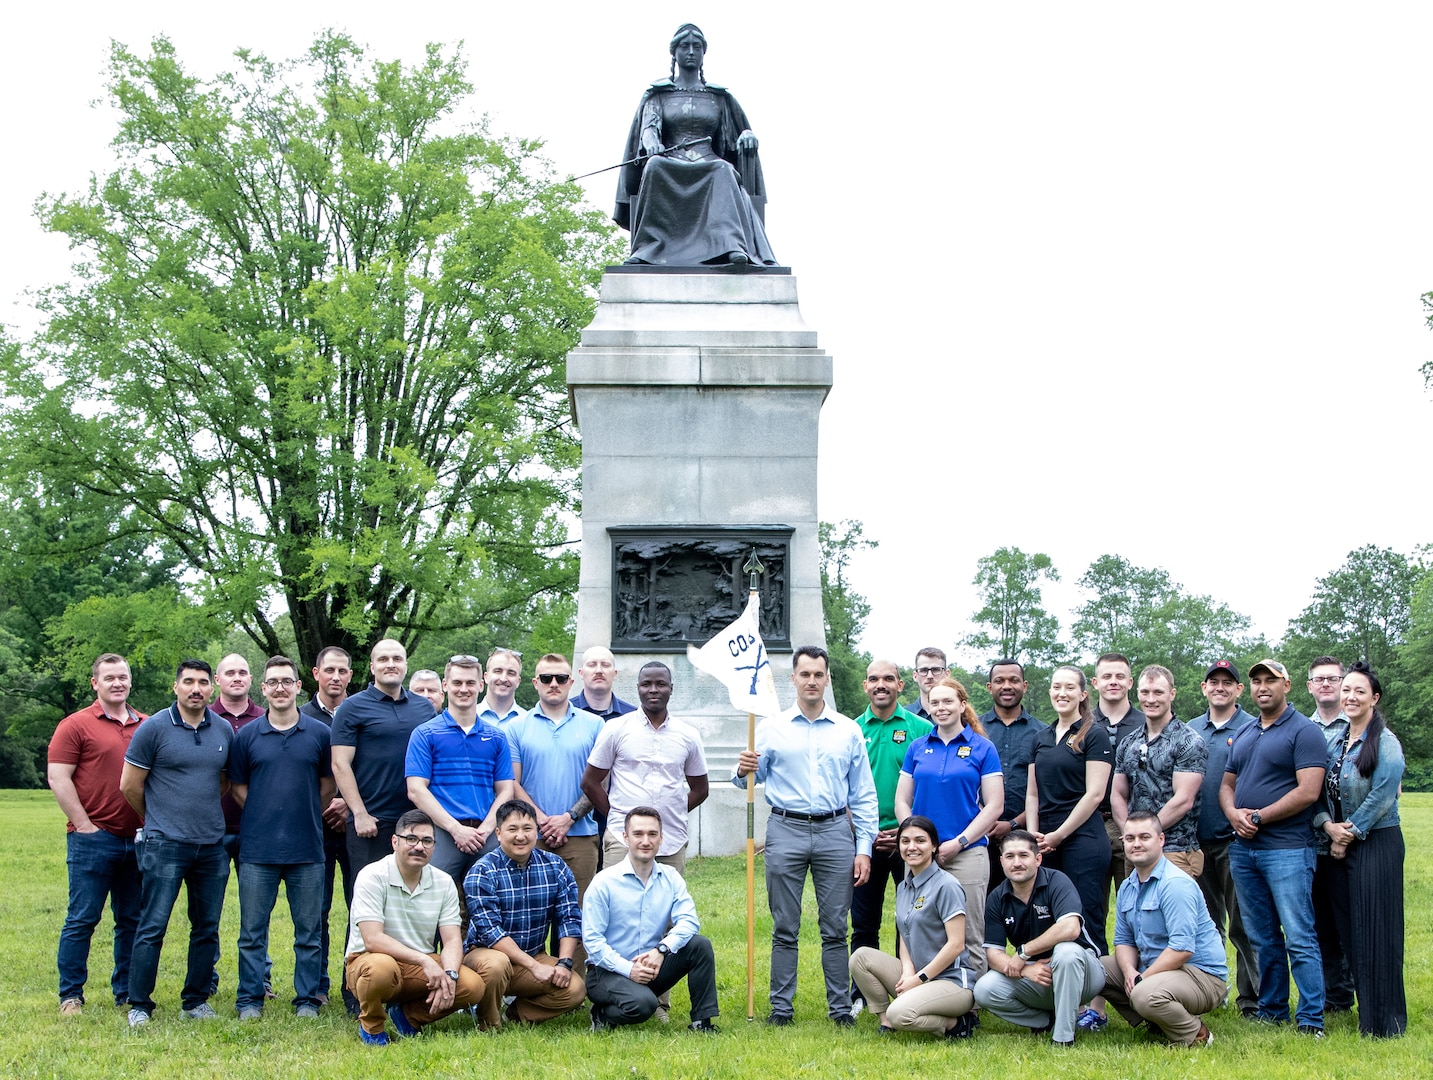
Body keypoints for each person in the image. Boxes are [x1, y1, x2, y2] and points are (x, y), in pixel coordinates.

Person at [734, 645, 878, 1026]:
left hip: (834, 832)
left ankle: (840, 1009)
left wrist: (864, 848)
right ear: (792, 678)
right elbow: (749, 780)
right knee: (785, 926)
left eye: (818, 674)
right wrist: (742, 768)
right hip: (785, 829)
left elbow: (863, 795)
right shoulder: (769, 728)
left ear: (827, 678)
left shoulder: (848, 730)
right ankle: (781, 1009)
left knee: (835, 926)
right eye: (805, 674)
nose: (811, 681)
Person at [119, 659, 234, 1028]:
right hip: (165, 843)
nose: (196, 688)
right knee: (152, 925)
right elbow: (130, 786)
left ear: (211, 688)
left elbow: (223, 782)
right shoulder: (153, 729)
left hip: (211, 845)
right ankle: (139, 1003)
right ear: (176, 687)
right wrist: (158, 819)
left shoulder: (223, 730)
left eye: (202, 682)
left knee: (206, 926)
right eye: (188, 682)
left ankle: (196, 1000)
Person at [1219, 658, 1327, 1036]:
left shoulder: (1305, 731)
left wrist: (1259, 817)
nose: (1262, 687)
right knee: (1261, 936)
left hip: (1287, 849)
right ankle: (1272, 1009)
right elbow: (1227, 784)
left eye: (1271, 680)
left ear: (1288, 685)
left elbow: (1308, 791)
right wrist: (1233, 814)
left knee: (1298, 935)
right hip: (1244, 851)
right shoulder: (1247, 732)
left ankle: (1312, 1018)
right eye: (1256, 681)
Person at [614, 24, 775, 267]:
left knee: (723, 170)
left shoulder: (719, 97)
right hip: (670, 161)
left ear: (703, 54)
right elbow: (649, 128)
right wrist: (653, 144)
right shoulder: (658, 94)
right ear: (674, 53)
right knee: (655, 166)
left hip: (709, 162)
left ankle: (731, 245)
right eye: (684, 46)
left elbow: (736, 134)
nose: (690, 51)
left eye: (696, 47)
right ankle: (650, 247)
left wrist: (748, 134)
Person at [227, 656, 335, 1019]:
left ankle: (306, 999)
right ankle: (250, 999)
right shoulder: (246, 736)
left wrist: (301, 810)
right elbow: (238, 787)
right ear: (264, 688)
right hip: (258, 849)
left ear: (298, 686)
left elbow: (327, 785)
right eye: (273, 682)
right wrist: (262, 812)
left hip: (307, 848)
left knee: (309, 930)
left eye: (287, 681)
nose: (280, 688)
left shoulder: (320, 734)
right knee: (252, 932)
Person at [48, 653, 146, 1015]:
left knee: (132, 920)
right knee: (82, 919)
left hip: (137, 840)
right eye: (109, 678)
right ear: (95, 683)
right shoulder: (75, 725)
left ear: (130, 681)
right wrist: (84, 825)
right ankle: (71, 995)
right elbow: (59, 777)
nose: (117, 683)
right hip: (93, 838)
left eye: (123, 676)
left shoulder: (146, 725)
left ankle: (125, 992)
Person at [1314, 661, 1406, 1038]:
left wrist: (1347, 834)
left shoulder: (1385, 742)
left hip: (1376, 843)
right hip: (1340, 844)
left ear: (1374, 698)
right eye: (1346, 690)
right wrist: (1327, 827)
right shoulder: (1335, 741)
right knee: (1350, 932)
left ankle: (1385, 1023)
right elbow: (1318, 792)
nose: (1350, 697)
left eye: (1359, 692)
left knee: (1377, 932)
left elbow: (1383, 795)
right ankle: (1363, 1011)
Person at [342, 809, 485, 1045]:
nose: (419, 846)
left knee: (471, 985)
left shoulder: (443, 882)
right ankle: (373, 1026)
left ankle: (408, 1017)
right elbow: (372, 939)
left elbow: (451, 940)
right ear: (395, 841)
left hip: (417, 967)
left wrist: (449, 974)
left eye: (427, 841)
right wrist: (424, 961)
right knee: (381, 969)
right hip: (369, 960)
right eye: (411, 839)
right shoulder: (372, 875)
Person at [894, 678, 1002, 975]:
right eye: (935, 702)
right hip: (921, 855)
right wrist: (914, 838)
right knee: (915, 926)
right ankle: (919, 991)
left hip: (966, 853)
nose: (941, 708)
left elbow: (995, 806)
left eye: (948, 701)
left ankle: (971, 1006)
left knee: (969, 931)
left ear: (962, 705)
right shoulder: (917, 747)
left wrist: (960, 842)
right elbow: (902, 801)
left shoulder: (983, 748)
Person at [583, 807, 720, 1032]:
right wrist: (629, 970)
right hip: (607, 972)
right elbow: (593, 943)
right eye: (638, 834)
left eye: (652, 834)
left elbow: (689, 921)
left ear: (661, 838)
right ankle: (602, 1015)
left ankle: (701, 1023)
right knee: (643, 1005)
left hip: (651, 965)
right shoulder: (604, 882)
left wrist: (661, 950)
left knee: (699, 945)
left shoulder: (670, 878)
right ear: (625, 838)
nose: (645, 841)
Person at [1098, 811, 1227, 1047]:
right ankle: (1159, 1023)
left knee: (1144, 993)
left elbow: (1181, 949)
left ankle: (1197, 1035)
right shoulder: (1128, 885)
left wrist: (1142, 979)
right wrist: (1129, 973)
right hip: (1157, 971)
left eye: (1144, 837)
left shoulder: (1175, 885)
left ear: (1161, 840)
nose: (1136, 844)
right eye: (1130, 838)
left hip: (1199, 975)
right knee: (1094, 970)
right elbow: (1124, 941)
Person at [848, 659, 932, 1009]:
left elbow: (928, 784)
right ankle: (860, 994)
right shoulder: (850, 729)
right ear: (865, 686)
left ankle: (908, 986)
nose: (880, 684)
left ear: (901, 685)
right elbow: (844, 785)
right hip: (864, 840)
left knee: (910, 920)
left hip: (910, 840)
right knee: (863, 920)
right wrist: (862, 829)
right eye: (873, 679)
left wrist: (907, 830)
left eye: (888, 679)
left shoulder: (920, 727)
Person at [848, 815, 979, 1038]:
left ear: (934, 846)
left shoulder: (946, 885)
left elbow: (956, 945)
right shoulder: (904, 887)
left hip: (952, 982)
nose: (912, 847)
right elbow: (905, 933)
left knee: (902, 1013)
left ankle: (955, 1024)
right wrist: (908, 971)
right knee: (860, 957)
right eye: (905, 841)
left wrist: (918, 980)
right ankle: (886, 1021)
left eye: (920, 841)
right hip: (918, 974)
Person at [973, 830, 1106, 1048]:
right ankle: (1047, 1020)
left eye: (1024, 856)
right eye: (1010, 856)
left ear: (1038, 859)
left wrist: (1024, 952)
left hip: (1084, 973)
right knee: (984, 989)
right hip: (1037, 975)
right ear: (1001, 861)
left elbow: (1070, 928)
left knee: (1066, 952)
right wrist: (1025, 969)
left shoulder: (1057, 881)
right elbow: (993, 953)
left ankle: (1063, 1037)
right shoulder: (997, 897)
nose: (1017, 863)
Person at [461, 800, 587, 1028]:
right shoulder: (482, 871)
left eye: (527, 829)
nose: (521, 836)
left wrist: (565, 963)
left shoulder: (555, 866)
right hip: (484, 956)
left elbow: (569, 918)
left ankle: (517, 1014)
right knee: (497, 964)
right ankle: (488, 1022)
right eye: (512, 829)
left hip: (533, 954)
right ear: (498, 834)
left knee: (575, 988)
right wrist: (533, 966)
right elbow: (490, 932)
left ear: (536, 831)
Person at [582, 661, 708, 872]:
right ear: (638, 688)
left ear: (671, 689)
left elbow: (701, 789)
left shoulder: (688, 735)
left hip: (670, 839)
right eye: (646, 684)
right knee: (619, 901)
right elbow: (590, 782)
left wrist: (673, 810)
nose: (653, 690)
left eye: (660, 684)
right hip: (623, 840)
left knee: (666, 903)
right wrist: (617, 816)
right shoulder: (616, 728)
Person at [1186, 659, 1259, 1017]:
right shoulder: (1189, 729)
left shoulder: (1252, 727)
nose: (1219, 687)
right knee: (1205, 926)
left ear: (1238, 690)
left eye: (1227, 682)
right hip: (1195, 842)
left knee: (1244, 925)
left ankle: (1253, 998)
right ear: (1203, 688)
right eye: (1213, 681)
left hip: (1236, 842)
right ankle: (1210, 991)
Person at [404, 655, 515, 887]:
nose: (463, 689)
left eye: (470, 683)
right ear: (445, 686)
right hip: (442, 833)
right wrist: (456, 829)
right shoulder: (425, 734)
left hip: (486, 834)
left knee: (493, 902)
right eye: (457, 683)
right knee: (432, 903)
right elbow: (416, 790)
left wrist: (485, 830)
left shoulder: (496, 737)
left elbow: (506, 790)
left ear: (481, 686)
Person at [1026, 666, 1112, 963]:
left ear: (1083, 694)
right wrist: (1034, 837)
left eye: (1070, 688)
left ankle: (1097, 1004)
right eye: (1056, 687)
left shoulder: (1095, 735)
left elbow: (1095, 794)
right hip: (1044, 840)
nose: (1062, 693)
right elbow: (1032, 793)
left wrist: (1059, 835)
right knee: (1047, 919)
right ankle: (1052, 995)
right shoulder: (1041, 737)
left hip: (1082, 839)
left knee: (1087, 916)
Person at [329, 638, 435, 870]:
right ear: (372, 667)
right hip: (372, 822)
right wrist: (359, 813)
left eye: (397, 659)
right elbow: (340, 764)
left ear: (406, 665)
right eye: (383, 659)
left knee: (413, 896)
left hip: (417, 820)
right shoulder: (352, 708)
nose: (390, 664)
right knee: (367, 898)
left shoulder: (424, 708)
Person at [298, 644, 357, 1013]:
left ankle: (354, 984)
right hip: (314, 829)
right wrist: (324, 804)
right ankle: (316, 986)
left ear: (351, 675)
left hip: (358, 827)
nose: (336, 677)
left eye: (343, 671)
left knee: (361, 907)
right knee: (314, 911)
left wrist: (348, 803)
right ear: (316, 674)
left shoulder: (364, 711)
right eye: (329, 670)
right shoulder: (300, 716)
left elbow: (374, 768)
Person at [1110, 665, 1207, 876]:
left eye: (1158, 692)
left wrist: (1147, 834)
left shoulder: (1189, 741)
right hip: (1136, 850)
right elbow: (1118, 793)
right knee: (1135, 908)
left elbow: (1183, 800)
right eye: (1145, 692)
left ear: (1171, 694)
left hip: (1174, 850)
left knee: (1172, 909)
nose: (1151, 699)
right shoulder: (1129, 743)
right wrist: (1131, 832)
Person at [1306, 654, 1355, 1016]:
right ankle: (1334, 996)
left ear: (1344, 684)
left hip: (1354, 840)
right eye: (1319, 679)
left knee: (1351, 921)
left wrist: (1343, 833)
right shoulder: (1302, 729)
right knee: (1320, 925)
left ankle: (1358, 989)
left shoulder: (1359, 726)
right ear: (1309, 687)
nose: (1326, 684)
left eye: (1333, 679)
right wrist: (1326, 828)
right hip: (1313, 841)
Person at [979, 659, 1044, 889]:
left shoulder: (1043, 733)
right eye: (999, 681)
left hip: (1027, 836)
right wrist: (985, 822)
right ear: (990, 687)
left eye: (1014, 680)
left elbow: (1044, 790)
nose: (1007, 686)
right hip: (979, 836)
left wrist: (1014, 824)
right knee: (983, 908)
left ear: (1024, 686)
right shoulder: (973, 730)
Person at [571, 645, 637, 722]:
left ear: (615, 674)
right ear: (581, 673)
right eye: (592, 665)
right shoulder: (564, 712)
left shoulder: (632, 716)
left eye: (605, 665)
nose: (599, 670)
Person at [477, 648, 525, 728]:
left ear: (518, 681)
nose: (503, 679)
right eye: (498, 671)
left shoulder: (529, 723)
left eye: (511, 673)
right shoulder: (465, 718)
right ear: (486, 677)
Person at [906, 647, 951, 720]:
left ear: (947, 674)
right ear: (915, 676)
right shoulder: (904, 717)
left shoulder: (965, 718)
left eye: (936, 670)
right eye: (923, 670)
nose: (930, 676)